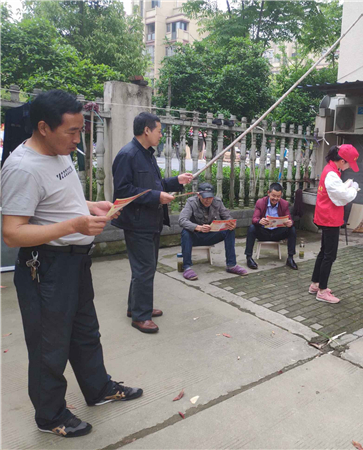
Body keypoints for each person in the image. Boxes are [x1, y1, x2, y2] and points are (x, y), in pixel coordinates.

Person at [1, 90, 142, 438]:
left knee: (85, 333)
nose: (78, 139)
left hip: (76, 264)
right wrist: (74, 225)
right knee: (49, 346)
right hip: (46, 268)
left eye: (81, 130)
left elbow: (57, 200)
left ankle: (99, 388)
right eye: (72, 131)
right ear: (44, 127)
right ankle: (50, 416)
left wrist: (91, 206)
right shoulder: (22, 168)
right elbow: (12, 233)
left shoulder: (59, 152)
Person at [112, 112, 193, 334]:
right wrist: (156, 197)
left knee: (144, 268)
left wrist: (176, 181)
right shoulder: (127, 155)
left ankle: (136, 307)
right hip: (137, 223)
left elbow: (155, 185)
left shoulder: (147, 154)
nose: (161, 135)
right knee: (144, 269)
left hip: (151, 221)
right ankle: (141, 316)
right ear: (146, 130)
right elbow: (123, 191)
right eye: (159, 130)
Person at [309, 144, 359, 304]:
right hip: (329, 218)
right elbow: (342, 196)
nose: (349, 167)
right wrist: (354, 189)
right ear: (342, 161)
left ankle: (316, 284)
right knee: (330, 255)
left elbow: (337, 191)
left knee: (324, 252)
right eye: (349, 163)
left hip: (326, 216)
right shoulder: (331, 174)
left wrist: (347, 186)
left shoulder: (331, 170)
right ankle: (322, 291)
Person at [179, 182, 248, 280]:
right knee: (185, 232)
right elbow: (182, 220)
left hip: (211, 235)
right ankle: (187, 267)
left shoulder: (217, 202)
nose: (208, 200)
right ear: (199, 195)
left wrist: (231, 223)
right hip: (195, 237)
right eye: (205, 197)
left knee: (230, 230)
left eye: (210, 197)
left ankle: (231, 265)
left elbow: (227, 216)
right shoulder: (191, 202)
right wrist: (198, 227)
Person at [245, 182, 298, 270]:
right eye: (273, 195)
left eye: (278, 196)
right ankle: (249, 258)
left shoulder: (284, 204)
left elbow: (290, 219)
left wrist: (290, 223)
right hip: (264, 232)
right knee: (252, 228)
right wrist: (259, 221)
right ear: (268, 193)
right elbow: (254, 219)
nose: (275, 198)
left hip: (277, 232)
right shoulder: (260, 202)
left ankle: (290, 258)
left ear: (281, 195)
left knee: (292, 229)